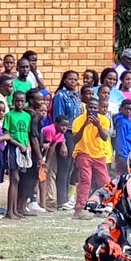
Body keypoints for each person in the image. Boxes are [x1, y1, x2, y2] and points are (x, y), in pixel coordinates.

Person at [72, 90, 111, 219]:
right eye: (90, 107)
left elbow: (105, 137)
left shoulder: (104, 120)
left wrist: (98, 125)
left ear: (98, 108)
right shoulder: (78, 120)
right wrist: (85, 125)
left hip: (99, 154)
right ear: (86, 108)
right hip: (83, 153)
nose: (92, 110)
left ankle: (101, 207)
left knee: (105, 183)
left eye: (95, 108)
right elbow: (75, 139)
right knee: (85, 180)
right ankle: (79, 209)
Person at [52, 70, 83, 212]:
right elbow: (58, 119)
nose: (73, 81)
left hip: (76, 134)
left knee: (71, 166)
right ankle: (61, 200)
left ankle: (65, 198)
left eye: (75, 79)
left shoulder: (76, 96)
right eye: (70, 79)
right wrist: (62, 140)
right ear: (64, 80)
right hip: (66, 134)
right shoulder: (60, 96)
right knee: (64, 167)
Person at [3, 90, 32, 220]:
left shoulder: (27, 116)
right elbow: (6, 134)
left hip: (24, 150)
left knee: (19, 179)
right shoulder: (9, 115)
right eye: (17, 101)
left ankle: (15, 209)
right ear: (13, 101)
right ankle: (9, 210)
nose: (20, 103)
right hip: (13, 148)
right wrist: (19, 145)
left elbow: (26, 134)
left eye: (22, 101)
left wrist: (27, 147)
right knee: (14, 178)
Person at [43, 113, 69, 210]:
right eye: (62, 125)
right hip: (41, 149)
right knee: (45, 173)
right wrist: (45, 161)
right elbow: (47, 146)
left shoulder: (60, 132)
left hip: (50, 151)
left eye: (66, 126)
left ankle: (51, 199)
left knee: (51, 172)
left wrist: (48, 162)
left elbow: (53, 147)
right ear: (56, 124)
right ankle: (46, 200)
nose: (64, 128)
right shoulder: (51, 130)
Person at [113, 98, 131, 176]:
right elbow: (121, 140)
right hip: (123, 155)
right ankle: (109, 188)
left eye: (130, 109)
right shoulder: (122, 121)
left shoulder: (128, 120)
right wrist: (123, 157)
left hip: (129, 153)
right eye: (126, 109)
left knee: (126, 177)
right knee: (120, 177)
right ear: (121, 109)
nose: (128, 111)